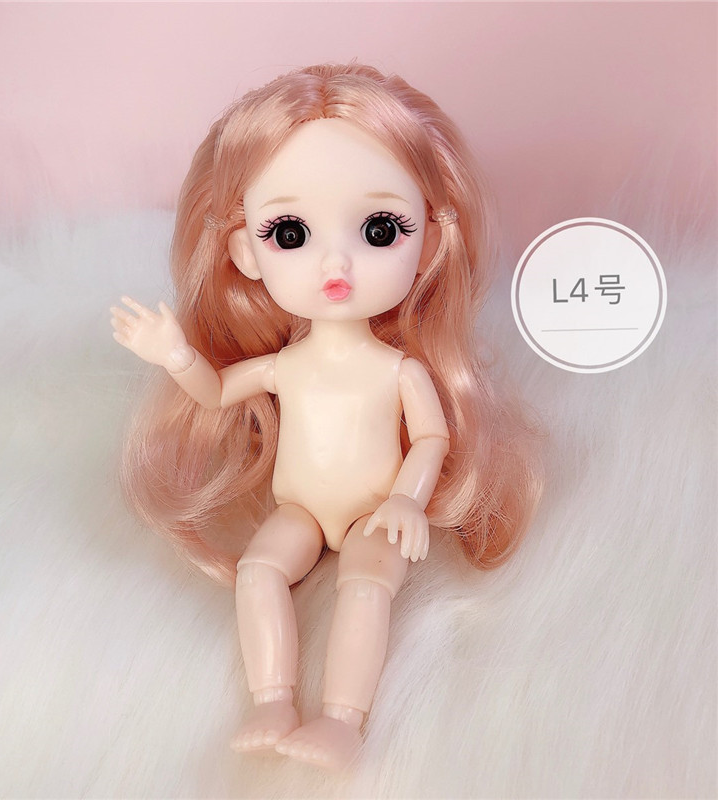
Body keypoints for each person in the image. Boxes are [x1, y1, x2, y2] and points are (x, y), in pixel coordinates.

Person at [110, 63, 541, 771]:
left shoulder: (398, 370)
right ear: (245, 252)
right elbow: (214, 394)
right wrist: (176, 354)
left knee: (364, 586)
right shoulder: (285, 365)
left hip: (375, 511)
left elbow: (431, 435)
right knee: (258, 572)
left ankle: (342, 720)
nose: (335, 262)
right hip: (302, 509)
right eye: (290, 233)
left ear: (429, 246)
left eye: (379, 229)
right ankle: (272, 700)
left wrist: (406, 499)